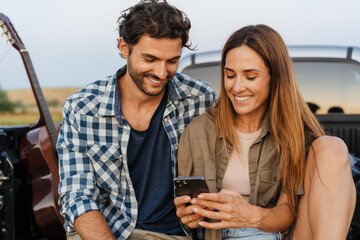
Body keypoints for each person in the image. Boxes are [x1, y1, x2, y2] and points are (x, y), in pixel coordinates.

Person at [174, 24, 356, 240]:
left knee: (332, 146)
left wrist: (252, 215)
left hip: (277, 235)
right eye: (230, 75)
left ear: (275, 77)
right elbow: (185, 206)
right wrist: (188, 214)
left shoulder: (294, 133)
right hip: (220, 236)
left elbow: (288, 211)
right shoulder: (197, 131)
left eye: (250, 77)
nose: (237, 87)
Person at [56, 1, 216, 239]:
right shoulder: (81, 108)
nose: (162, 73)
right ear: (124, 47)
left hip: (175, 234)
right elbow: (77, 195)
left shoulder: (201, 99)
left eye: (172, 61)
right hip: (105, 231)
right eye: (150, 59)